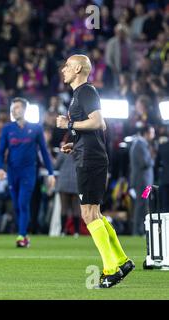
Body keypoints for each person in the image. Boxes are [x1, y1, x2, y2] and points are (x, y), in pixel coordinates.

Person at [56, 54, 134, 288]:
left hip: (90, 160)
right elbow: (101, 126)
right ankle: (122, 260)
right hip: (89, 155)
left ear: (78, 68)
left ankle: (111, 269)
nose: (63, 70)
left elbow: (99, 122)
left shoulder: (86, 92)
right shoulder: (81, 94)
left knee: (89, 215)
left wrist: (69, 126)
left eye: (67, 66)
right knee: (95, 214)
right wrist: (77, 141)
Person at [0, 97, 55, 248]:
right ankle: (24, 234)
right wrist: (0, 168)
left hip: (29, 172)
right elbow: (1, 150)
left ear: (24, 109)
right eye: (12, 108)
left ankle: (22, 235)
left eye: (17, 107)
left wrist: (51, 173)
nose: (14, 111)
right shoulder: (7, 129)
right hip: (12, 172)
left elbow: (44, 151)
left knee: (23, 203)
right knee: (16, 205)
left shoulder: (36, 129)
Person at [129, 125, 155, 235]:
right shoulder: (140, 144)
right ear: (146, 133)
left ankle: (141, 231)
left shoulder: (141, 144)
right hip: (143, 183)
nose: (153, 135)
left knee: (144, 205)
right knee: (141, 205)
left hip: (146, 183)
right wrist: (152, 156)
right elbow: (145, 163)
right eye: (152, 132)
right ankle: (138, 231)